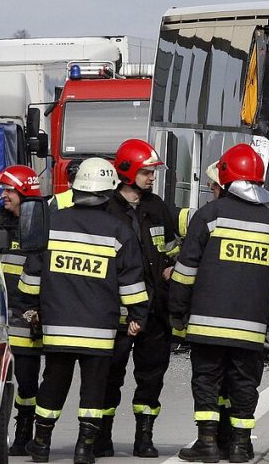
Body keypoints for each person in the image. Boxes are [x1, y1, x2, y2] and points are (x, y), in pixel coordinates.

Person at [18, 157, 150, 464]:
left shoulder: (52, 224)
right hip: (99, 332)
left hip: (58, 327)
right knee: (93, 390)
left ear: (76, 189)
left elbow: (30, 278)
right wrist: (137, 317)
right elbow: (131, 282)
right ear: (108, 193)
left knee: (52, 384)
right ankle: (84, 449)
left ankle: (40, 445)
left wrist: (31, 308)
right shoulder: (119, 231)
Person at [170, 144, 269, 463]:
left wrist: (177, 314)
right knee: (243, 385)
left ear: (225, 178)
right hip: (252, 330)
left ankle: (207, 442)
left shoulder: (209, 216)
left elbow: (184, 273)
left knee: (207, 380)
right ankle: (239, 445)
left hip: (207, 324)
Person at [97, 139, 178, 458]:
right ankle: (101, 436)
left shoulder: (157, 207)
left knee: (151, 378)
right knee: (108, 376)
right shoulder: (106, 209)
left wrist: (172, 268)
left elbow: (171, 249)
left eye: (153, 171)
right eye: (146, 171)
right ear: (128, 171)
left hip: (155, 311)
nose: (152, 177)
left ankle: (144, 436)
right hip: (117, 312)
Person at [0, 164, 51, 456]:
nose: (3, 195)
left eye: (8, 190)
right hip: (0, 314)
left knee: (27, 380)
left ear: (24, 193)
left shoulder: (41, 226)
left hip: (29, 316)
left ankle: (25, 433)